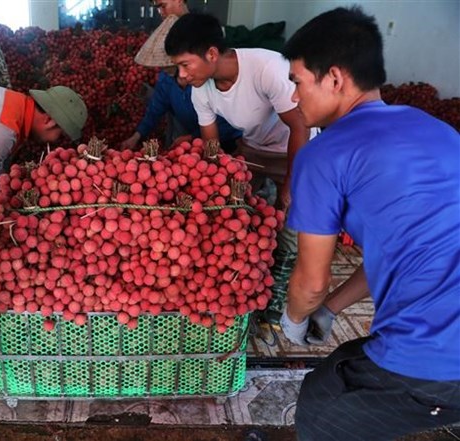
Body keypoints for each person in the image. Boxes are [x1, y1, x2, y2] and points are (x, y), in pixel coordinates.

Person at [278, 7, 460, 441]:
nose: (294, 99)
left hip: (438, 361)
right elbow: (394, 252)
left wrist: (295, 319)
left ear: (335, 79)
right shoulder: (439, 131)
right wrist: (330, 310)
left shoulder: (324, 155)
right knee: (340, 370)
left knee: (324, 408)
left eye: (299, 83)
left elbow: (309, 281)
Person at [165, 13, 312, 322]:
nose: (181, 75)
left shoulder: (267, 67)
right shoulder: (201, 89)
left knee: (289, 223)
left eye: (185, 64)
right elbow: (213, 149)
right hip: (253, 149)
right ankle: (246, 281)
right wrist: (214, 189)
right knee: (240, 215)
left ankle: (277, 300)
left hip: (297, 150)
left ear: (211, 53)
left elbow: (300, 128)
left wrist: (290, 186)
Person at [123, 14, 241, 152]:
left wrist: (192, 137)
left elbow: (227, 121)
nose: (161, 68)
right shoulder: (166, 79)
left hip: (230, 140)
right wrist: (137, 136)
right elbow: (155, 110)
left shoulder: (203, 78)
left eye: (184, 64)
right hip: (201, 140)